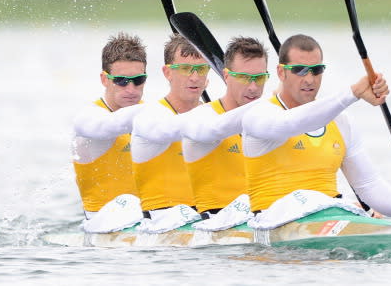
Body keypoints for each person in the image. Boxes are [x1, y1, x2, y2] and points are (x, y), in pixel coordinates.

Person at [241, 34, 391, 238]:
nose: (310, 79)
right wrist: (353, 93)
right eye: (300, 70)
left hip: (327, 219)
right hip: (274, 224)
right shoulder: (258, 115)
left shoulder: (340, 121)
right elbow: (291, 123)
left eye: (317, 70)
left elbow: (369, 186)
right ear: (281, 73)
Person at [180, 37, 269, 219]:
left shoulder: (267, 119)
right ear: (226, 76)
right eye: (244, 78)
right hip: (217, 227)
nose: (253, 87)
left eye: (259, 78)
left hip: (260, 219)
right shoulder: (202, 116)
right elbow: (216, 128)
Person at [130, 33, 209, 221]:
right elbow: (183, 127)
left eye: (201, 68)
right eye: (185, 69)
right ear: (167, 73)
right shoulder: (151, 115)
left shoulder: (216, 115)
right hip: (161, 225)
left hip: (206, 217)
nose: (195, 77)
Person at [71, 33, 148, 219]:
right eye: (121, 81)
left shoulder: (150, 114)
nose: (131, 89)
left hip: (148, 219)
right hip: (104, 225)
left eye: (138, 80)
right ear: (104, 79)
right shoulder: (89, 118)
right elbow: (111, 125)